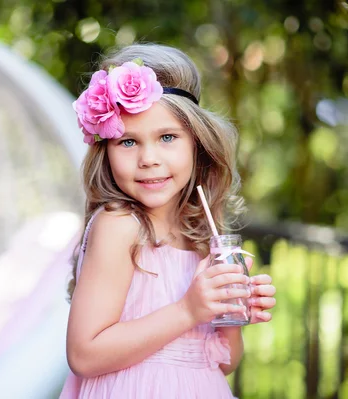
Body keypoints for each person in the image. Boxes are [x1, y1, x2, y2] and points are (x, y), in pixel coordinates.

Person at [60, 43, 276, 399]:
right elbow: (83, 354)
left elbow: (224, 363)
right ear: (106, 151)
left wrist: (230, 313)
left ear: (197, 144)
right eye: (127, 142)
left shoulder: (201, 236)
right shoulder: (120, 226)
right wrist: (188, 309)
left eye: (167, 138)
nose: (148, 158)